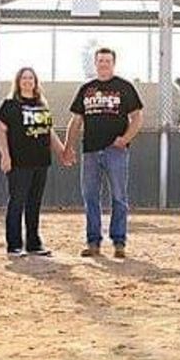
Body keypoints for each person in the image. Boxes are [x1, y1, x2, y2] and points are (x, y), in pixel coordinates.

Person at [65, 48, 144, 259]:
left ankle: (119, 242)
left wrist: (125, 139)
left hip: (115, 151)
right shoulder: (86, 89)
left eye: (107, 61)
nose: (103, 64)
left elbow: (137, 117)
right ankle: (93, 242)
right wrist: (68, 147)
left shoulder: (124, 87)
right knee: (90, 197)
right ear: (95, 63)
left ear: (113, 63)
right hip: (90, 150)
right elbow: (76, 120)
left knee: (119, 196)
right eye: (100, 60)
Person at [0, 67, 65, 257]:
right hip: (19, 162)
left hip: (40, 161)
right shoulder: (10, 105)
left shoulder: (42, 104)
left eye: (31, 78)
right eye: (24, 78)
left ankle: (34, 244)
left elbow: (49, 131)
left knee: (34, 203)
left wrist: (62, 151)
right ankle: (14, 245)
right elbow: (0, 130)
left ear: (35, 82)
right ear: (18, 82)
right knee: (17, 202)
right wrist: (5, 155)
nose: (27, 81)